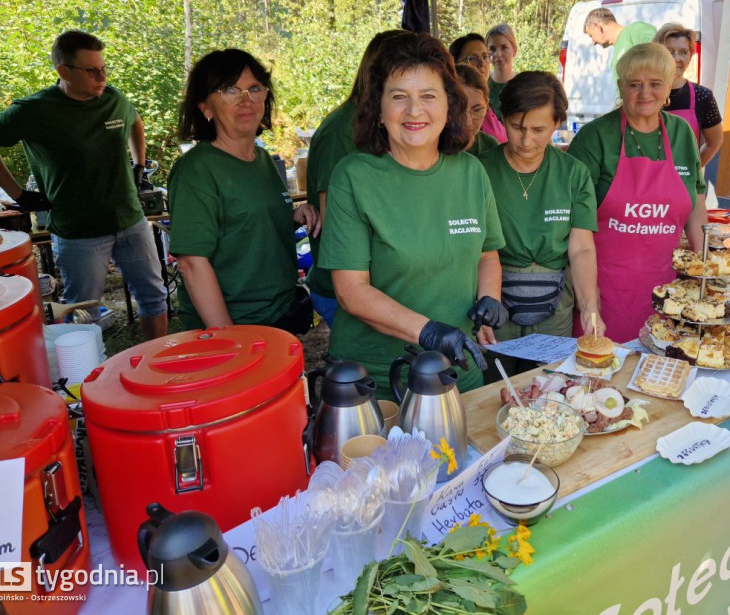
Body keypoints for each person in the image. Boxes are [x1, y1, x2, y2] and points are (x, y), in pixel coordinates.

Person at [319, 32, 507, 399]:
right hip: (376, 380)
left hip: (458, 371)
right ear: (379, 107)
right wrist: (428, 331)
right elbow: (351, 291)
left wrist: (490, 298)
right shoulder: (353, 177)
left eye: (428, 96)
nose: (414, 110)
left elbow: (487, 255)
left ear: (448, 104)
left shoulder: (471, 172)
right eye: (399, 96)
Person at [0, 30, 168, 339]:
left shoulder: (113, 98)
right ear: (63, 71)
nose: (101, 77)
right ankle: (84, 378)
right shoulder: (33, 110)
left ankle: (160, 362)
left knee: (154, 298)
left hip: (131, 220)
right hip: (79, 233)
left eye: (104, 68)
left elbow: (135, 121)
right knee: (82, 312)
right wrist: (17, 193)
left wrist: (139, 164)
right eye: (91, 70)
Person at [167, 48, 321, 332]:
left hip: (279, 313)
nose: (246, 100)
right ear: (205, 107)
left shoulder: (261, 159)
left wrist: (295, 215)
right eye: (229, 90)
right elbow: (191, 264)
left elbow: (246, 225)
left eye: (254, 88)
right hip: (234, 325)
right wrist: (229, 339)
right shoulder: (197, 170)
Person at [568, 43, 706, 342]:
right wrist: (589, 306)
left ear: (669, 85)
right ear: (620, 87)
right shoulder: (595, 138)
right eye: (635, 85)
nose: (645, 93)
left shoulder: (682, 134)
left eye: (655, 84)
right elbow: (577, 233)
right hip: (604, 293)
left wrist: (705, 272)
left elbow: (696, 205)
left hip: (667, 294)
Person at [478, 72, 601, 342]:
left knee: (550, 381)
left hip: (556, 307)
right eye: (517, 127)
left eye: (538, 130)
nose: (525, 141)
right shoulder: (480, 170)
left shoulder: (573, 174)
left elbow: (581, 247)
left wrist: (590, 307)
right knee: (496, 380)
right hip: (493, 304)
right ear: (502, 118)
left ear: (557, 122)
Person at [305, 30, 406, 326]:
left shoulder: (387, 124)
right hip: (347, 289)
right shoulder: (342, 130)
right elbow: (334, 220)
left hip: (384, 286)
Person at [653, 23, 724, 167]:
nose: (676, 58)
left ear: (691, 56)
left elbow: (714, 142)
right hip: (646, 182)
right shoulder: (644, 93)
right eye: (669, 51)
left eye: (683, 52)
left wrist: (694, 171)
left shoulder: (702, 96)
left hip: (684, 185)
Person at [449, 32, 507, 142]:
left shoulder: (488, 104)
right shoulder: (451, 108)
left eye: (485, 56)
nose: (481, 63)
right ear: (454, 64)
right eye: (472, 58)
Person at [583, 8, 657, 84]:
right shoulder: (614, 59)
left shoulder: (637, 30)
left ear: (598, 27)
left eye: (591, 35)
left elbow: (660, 64)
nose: (593, 42)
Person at [455, 63, 502, 157]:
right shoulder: (430, 146)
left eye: (477, 110)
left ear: (487, 106)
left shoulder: (490, 147)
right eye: (458, 109)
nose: (468, 122)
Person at [486, 24, 520, 121]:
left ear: (515, 50)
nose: (498, 54)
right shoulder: (482, 85)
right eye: (492, 49)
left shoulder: (524, 84)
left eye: (504, 47)